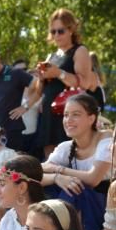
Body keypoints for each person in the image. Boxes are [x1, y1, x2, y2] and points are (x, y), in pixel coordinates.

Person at [40, 92, 113, 230]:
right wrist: (58, 178)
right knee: (64, 187)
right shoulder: (66, 147)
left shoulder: (106, 139)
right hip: (78, 204)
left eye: (76, 115)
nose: (68, 120)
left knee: (77, 188)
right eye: (66, 115)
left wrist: (60, 170)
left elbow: (93, 179)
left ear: (91, 118)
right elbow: (35, 174)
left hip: (108, 204)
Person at [34, 9, 99, 158]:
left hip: (69, 113)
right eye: (53, 31)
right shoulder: (52, 55)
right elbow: (40, 91)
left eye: (61, 31)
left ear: (71, 30)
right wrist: (41, 77)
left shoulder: (80, 50)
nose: (56, 35)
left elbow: (84, 82)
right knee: (49, 158)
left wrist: (58, 73)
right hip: (49, 113)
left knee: (70, 156)